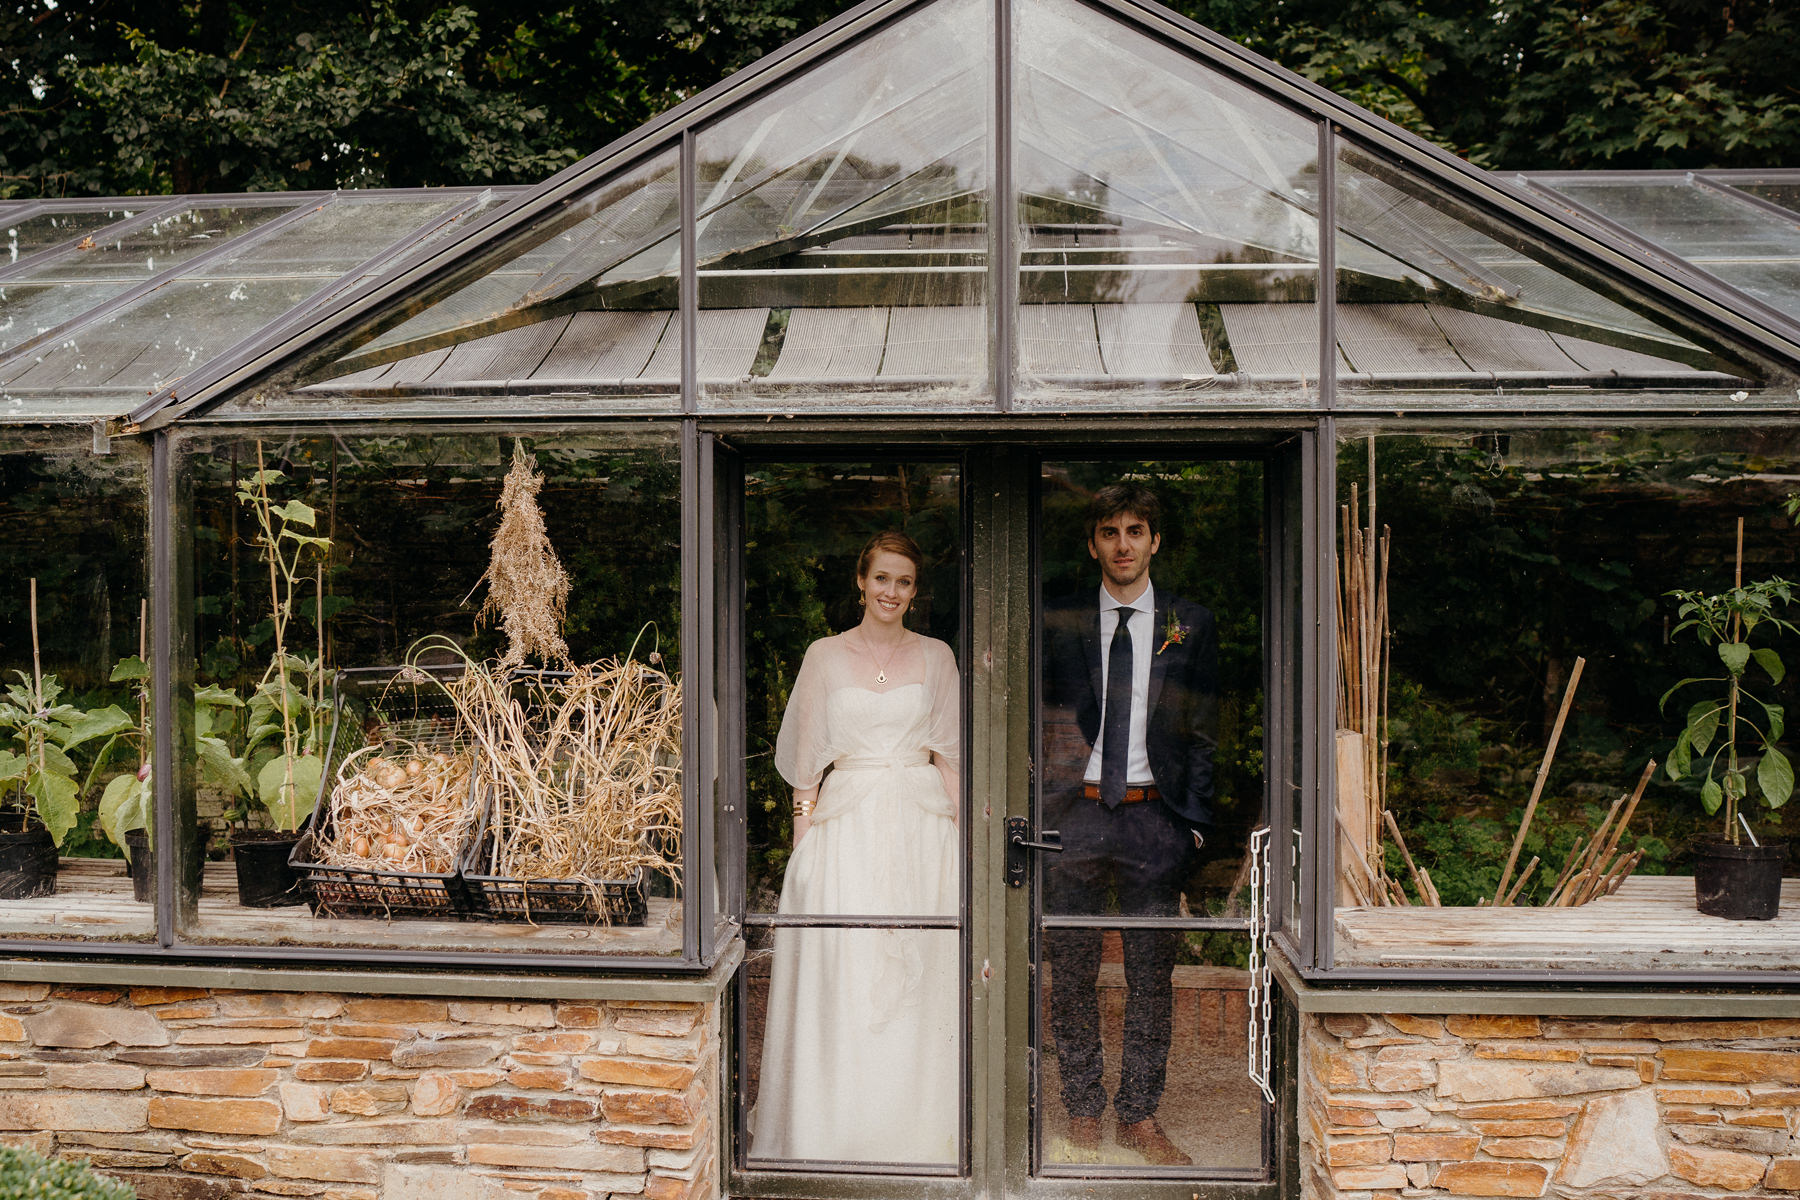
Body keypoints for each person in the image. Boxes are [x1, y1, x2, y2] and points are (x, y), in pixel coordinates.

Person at [750, 531, 962, 1165]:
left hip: (923, 835)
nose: (891, 591)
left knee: (921, 982)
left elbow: (951, 760)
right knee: (842, 973)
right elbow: (807, 772)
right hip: (844, 837)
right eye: (881, 579)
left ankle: (917, 1136)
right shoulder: (823, 656)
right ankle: (832, 1133)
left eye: (903, 581)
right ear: (861, 583)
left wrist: (964, 851)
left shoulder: (938, 657)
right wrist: (803, 857)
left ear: (915, 591)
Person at [1040, 482, 1218, 1167]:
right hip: (1075, 816)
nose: (1122, 544)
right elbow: (1036, 718)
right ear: (1093, 544)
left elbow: (1204, 732)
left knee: (1151, 977)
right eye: (1109, 532)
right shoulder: (1062, 619)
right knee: (1073, 971)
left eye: (1135, 530)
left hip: (1153, 819)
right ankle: (1084, 1109)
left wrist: (1192, 827)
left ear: (1155, 541)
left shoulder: (1188, 623)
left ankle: (1138, 1116)